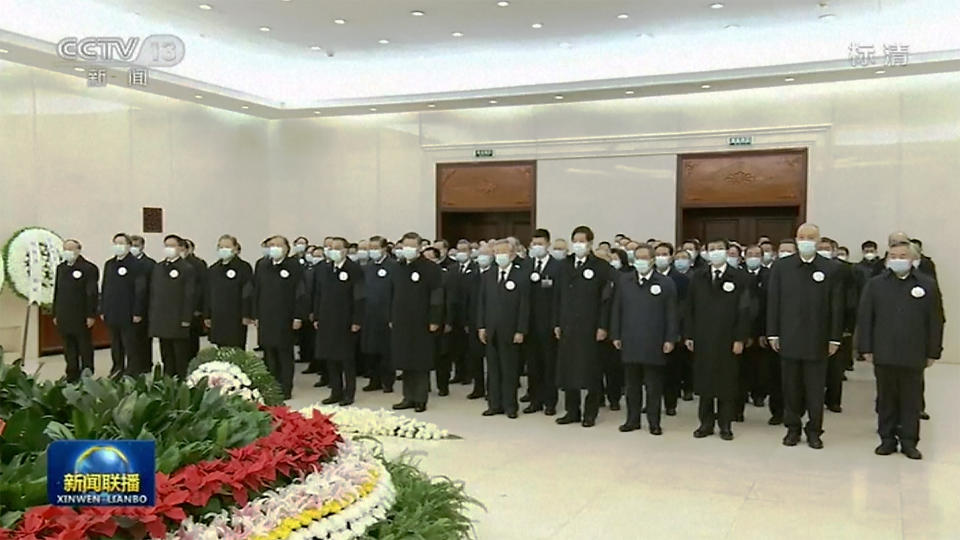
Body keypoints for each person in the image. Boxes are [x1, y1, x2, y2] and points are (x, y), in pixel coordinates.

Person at [858, 241, 943, 460]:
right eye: (893, 256)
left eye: (902, 255)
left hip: (914, 353)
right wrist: (865, 348)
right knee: (886, 399)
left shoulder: (927, 284)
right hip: (883, 351)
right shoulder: (876, 285)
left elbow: (936, 320)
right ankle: (887, 439)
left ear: (913, 258)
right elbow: (866, 318)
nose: (897, 259)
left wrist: (933, 351)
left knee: (911, 400)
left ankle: (909, 441)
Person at [767, 224, 844, 449]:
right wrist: (773, 332)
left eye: (811, 237)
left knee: (815, 389)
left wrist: (834, 338)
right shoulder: (782, 267)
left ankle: (814, 430)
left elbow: (836, 306)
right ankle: (792, 428)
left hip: (818, 340)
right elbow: (774, 302)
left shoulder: (831, 268)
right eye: (802, 237)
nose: (806, 240)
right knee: (790, 387)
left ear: (819, 241)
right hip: (789, 337)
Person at [684, 239, 751, 440]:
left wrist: (740, 338)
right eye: (711, 249)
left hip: (728, 338)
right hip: (703, 337)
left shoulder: (739, 277)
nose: (715, 253)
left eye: (719, 249)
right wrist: (689, 334)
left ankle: (725, 425)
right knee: (705, 383)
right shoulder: (698, 276)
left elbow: (745, 310)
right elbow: (689, 308)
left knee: (726, 383)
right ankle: (705, 423)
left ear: (727, 251)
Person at [611, 244, 679, 434]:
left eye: (644, 258)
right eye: (637, 258)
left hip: (654, 341)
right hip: (630, 339)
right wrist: (615, 334)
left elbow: (671, 313)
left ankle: (654, 422)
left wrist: (670, 338)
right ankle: (632, 420)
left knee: (653, 386)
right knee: (632, 386)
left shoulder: (665, 283)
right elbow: (617, 309)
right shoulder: (624, 281)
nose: (640, 261)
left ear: (652, 260)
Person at [554, 225, 613, 428]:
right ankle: (572, 410)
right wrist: (557, 322)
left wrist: (603, 326)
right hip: (569, 326)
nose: (578, 245)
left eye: (582, 241)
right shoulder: (565, 265)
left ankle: (590, 413)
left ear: (590, 243)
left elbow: (607, 300)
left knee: (591, 371)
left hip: (591, 326)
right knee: (569, 370)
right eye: (575, 241)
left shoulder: (601, 267)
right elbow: (557, 296)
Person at [477, 239, 530, 418]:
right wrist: (481, 326)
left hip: (511, 331)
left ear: (512, 254)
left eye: (503, 252)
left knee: (509, 370)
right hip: (491, 330)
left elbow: (525, 305)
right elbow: (482, 302)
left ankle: (510, 406)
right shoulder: (489, 274)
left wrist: (521, 330)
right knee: (492, 369)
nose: (499, 256)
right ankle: (494, 404)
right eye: (496, 252)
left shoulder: (521, 275)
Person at [390, 232, 443, 412]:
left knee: (420, 360)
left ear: (420, 248)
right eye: (405, 246)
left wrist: (435, 319)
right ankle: (408, 396)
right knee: (405, 359)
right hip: (401, 320)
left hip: (422, 320)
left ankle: (420, 398)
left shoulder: (430, 268)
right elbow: (392, 294)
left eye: (412, 246)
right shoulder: (397, 267)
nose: (408, 250)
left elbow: (437, 295)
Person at [252, 235, 307, 399]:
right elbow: (256, 291)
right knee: (269, 353)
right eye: (271, 245)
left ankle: (286, 387)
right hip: (266, 316)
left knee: (284, 354)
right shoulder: (262, 265)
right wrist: (255, 314)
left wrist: (298, 316)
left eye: (277, 245)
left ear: (286, 248)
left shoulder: (294, 266)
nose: (273, 248)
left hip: (285, 317)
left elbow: (301, 293)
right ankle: (271, 386)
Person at [314, 237, 365, 406]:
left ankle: (349, 393)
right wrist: (317, 316)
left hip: (346, 320)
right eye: (331, 248)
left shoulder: (354, 269)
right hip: (328, 319)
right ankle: (335, 391)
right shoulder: (326, 269)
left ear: (345, 250)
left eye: (337, 248)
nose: (333, 251)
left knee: (346, 359)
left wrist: (357, 319)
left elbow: (359, 296)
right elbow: (319, 294)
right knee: (331, 357)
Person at [525, 229, 561, 415]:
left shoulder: (557, 267)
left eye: (540, 243)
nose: (537, 247)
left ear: (547, 244)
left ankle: (550, 402)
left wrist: (556, 323)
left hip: (548, 325)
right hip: (529, 325)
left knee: (549, 365)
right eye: (534, 244)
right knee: (533, 365)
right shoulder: (527, 265)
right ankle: (534, 400)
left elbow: (558, 298)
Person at [149, 235, 196, 378]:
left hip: (178, 318)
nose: (168, 249)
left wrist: (186, 318)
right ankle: (167, 379)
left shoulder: (187, 268)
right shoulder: (158, 267)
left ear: (181, 248)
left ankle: (182, 380)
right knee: (166, 353)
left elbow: (189, 295)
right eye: (166, 246)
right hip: (161, 318)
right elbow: (154, 292)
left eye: (172, 246)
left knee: (180, 354)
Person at [53, 239, 99, 382]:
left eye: (71, 249)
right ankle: (72, 372)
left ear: (79, 250)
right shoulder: (61, 268)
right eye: (66, 249)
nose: (68, 252)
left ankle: (87, 372)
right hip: (64, 314)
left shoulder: (88, 268)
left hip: (81, 314)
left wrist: (91, 314)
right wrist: (55, 313)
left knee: (84, 345)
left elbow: (92, 293)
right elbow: (57, 291)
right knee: (68, 346)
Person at [101, 233, 147, 377]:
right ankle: (117, 368)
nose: (118, 247)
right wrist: (103, 308)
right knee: (115, 343)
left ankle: (132, 371)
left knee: (130, 344)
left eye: (121, 243)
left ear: (128, 246)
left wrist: (138, 312)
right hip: (112, 311)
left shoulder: (137, 264)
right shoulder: (109, 264)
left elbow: (140, 290)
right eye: (116, 243)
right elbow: (105, 287)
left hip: (129, 312)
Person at [655, 242, 690, 414]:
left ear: (670, 257)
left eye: (664, 254)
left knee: (671, 371)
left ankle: (670, 404)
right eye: (658, 254)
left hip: (673, 329)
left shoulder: (681, 279)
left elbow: (684, 308)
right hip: (652, 329)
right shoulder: (649, 276)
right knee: (653, 371)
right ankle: (653, 403)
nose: (661, 257)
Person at [361, 236, 397, 393]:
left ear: (384, 249)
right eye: (370, 248)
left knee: (386, 351)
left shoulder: (393, 266)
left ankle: (387, 381)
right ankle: (373, 380)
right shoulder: (367, 267)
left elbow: (396, 292)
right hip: (370, 314)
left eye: (375, 247)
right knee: (371, 349)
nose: (372, 251)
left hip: (386, 314)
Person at [204, 234, 253, 349]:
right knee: (221, 347)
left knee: (236, 348)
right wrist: (207, 315)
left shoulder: (243, 267)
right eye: (221, 247)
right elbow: (208, 293)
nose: (223, 250)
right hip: (218, 316)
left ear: (235, 248)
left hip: (235, 316)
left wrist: (246, 314)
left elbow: (247, 292)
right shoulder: (213, 269)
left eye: (227, 246)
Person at [739, 244, 770, 419]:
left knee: (761, 368)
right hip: (743, 330)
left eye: (756, 254)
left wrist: (763, 332)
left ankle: (759, 394)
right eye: (750, 254)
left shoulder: (769, 275)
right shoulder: (739, 274)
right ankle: (740, 402)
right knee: (742, 369)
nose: (753, 257)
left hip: (762, 329)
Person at [448, 239, 475, 385]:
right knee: (456, 346)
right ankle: (458, 373)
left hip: (468, 314)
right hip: (454, 314)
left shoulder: (475, 269)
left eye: (465, 250)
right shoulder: (452, 269)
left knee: (468, 348)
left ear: (470, 252)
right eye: (459, 250)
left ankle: (468, 374)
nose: (461, 253)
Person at [129, 235, 156, 370]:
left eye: (136, 245)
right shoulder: (126, 263)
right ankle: (134, 366)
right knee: (131, 340)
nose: (134, 248)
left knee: (144, 339)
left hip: (145, 307)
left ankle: (146, 365)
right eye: (132, 245)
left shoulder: (150, 264)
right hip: (128, 306)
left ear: (142, 246)